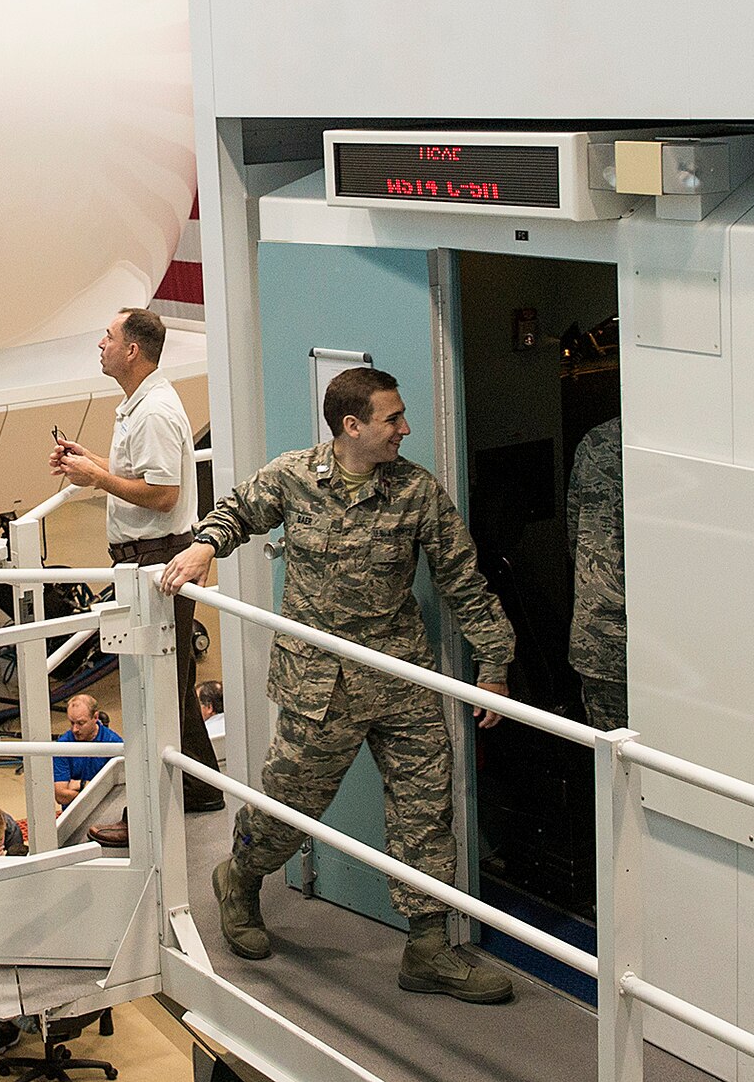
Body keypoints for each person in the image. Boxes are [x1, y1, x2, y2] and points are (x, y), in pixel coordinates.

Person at [159, 367, 519, 1004]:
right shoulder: (295, 476)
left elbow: (461, 576)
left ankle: (428, 947)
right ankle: (239, 877)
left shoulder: (415, 491)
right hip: (319, 684)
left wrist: (494, 659)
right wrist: (205, 546)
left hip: (401, 676)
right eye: (392, 418)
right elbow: (237, 510)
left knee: (425, 809)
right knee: (288, 808)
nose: (405, 429)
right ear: (352, 426)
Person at [51, 307, 223, 823]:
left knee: (157, 691)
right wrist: (90, 463)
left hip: (157, 561)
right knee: (172, 686)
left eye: (107, 337)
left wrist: (97, 479)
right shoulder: (139, 405)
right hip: (148, 560)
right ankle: (198, 790)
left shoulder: (152, 413)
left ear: (131, 350)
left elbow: (163, 494)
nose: (99, 344)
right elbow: (139, 472)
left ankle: (148, 813)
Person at [567, 417, 626, 731]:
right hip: (650, 645)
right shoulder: (676, 444)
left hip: (597, 635)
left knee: (611, 752)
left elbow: (574, 535)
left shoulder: (597, 441)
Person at [52, 693, 121, 808]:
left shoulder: (114, 744)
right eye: (72, 723)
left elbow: (119, 792)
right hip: (74, 813)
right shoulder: (62, 746)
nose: (75, 729)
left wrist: (78, 785)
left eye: (81, 723)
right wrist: (87, 785)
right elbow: (61, 796)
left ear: (95, 717)